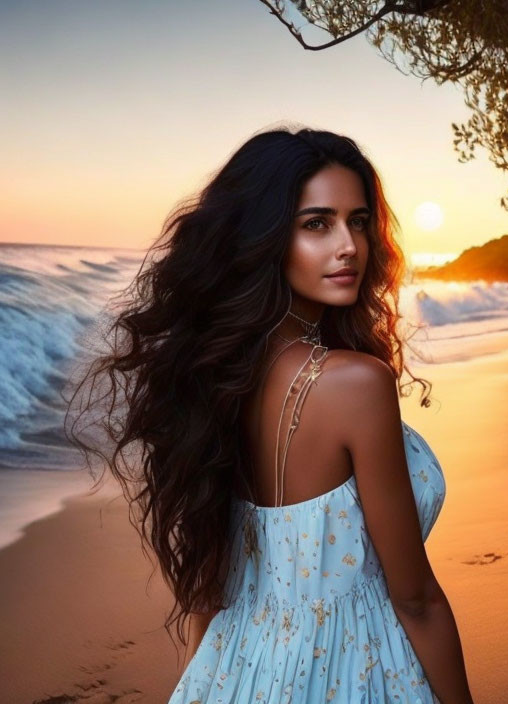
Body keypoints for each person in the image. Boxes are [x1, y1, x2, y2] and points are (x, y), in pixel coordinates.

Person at [64, 126, 475, 703]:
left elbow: (207, 600)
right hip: (350, 669)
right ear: (264, 240)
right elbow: (416, 599)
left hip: (238, 670)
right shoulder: (356, 383)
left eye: (358, 220)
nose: (349, 245)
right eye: (316, 224)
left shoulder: (210, 384)